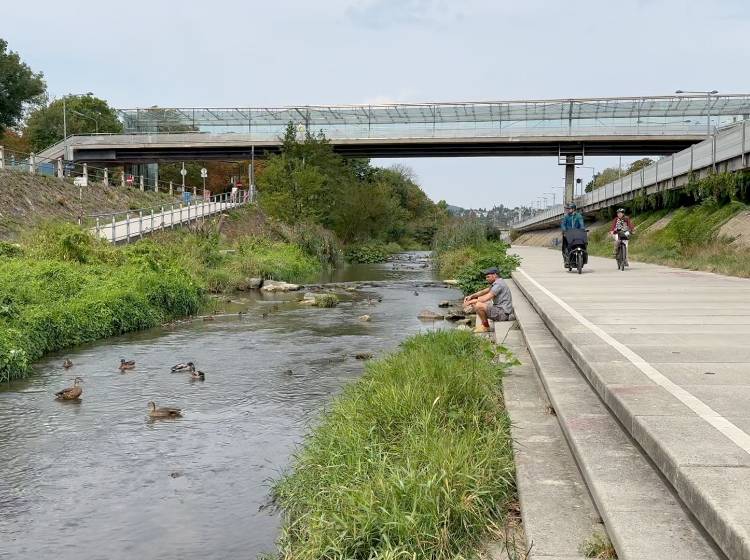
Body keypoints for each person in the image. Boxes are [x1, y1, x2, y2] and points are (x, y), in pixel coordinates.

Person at [463, 267, 514, 334]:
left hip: (502, 314)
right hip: (500, 311)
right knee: (477, 304)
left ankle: (486, 327)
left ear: (495, 275)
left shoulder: (498, 285)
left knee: (479, 305)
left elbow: (486, 298)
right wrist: (471, 296)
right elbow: (483, 292)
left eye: (488, 277)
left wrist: (470, 302)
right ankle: (483, 325)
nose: (486, 279)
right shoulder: (497, 282)